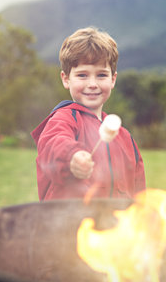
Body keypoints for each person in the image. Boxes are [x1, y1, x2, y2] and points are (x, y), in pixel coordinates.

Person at [31, 27, 145, 201]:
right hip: (69, 225)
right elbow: (52, 143)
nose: (92, 84)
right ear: (66, 79)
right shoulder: (64, 119)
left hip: (115, 227)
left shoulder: (125, 137)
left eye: (101, 75)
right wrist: (72, 157)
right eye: (82, 75)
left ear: (113, 79)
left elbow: (138, 188)